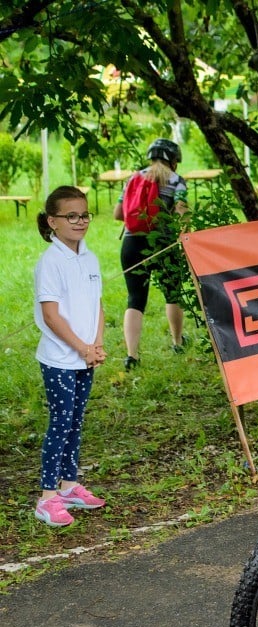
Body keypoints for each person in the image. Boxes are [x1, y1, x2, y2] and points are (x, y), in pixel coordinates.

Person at [33, 186, 108, 527]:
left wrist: (97, 344)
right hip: (61, 359)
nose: (80, 221)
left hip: (84, 356)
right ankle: (48, 497)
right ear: (53, 222)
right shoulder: (51, 262)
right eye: (71, 216)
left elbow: (98, 306)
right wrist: (80, 347)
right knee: (60, 424)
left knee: (76, 422)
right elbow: (51, 315)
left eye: (85, 215)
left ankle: (69, 485)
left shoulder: (89, 258)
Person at [113, 138, 189, 370]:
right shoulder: (176, 180)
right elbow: (181, 210)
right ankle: (177, 342)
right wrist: (185, 231)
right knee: (172, 293)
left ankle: (132, 356)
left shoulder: (133, 179)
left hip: (131, 244)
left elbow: (118, 214)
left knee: (135, 299)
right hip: (162, 244)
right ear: (173, 161)